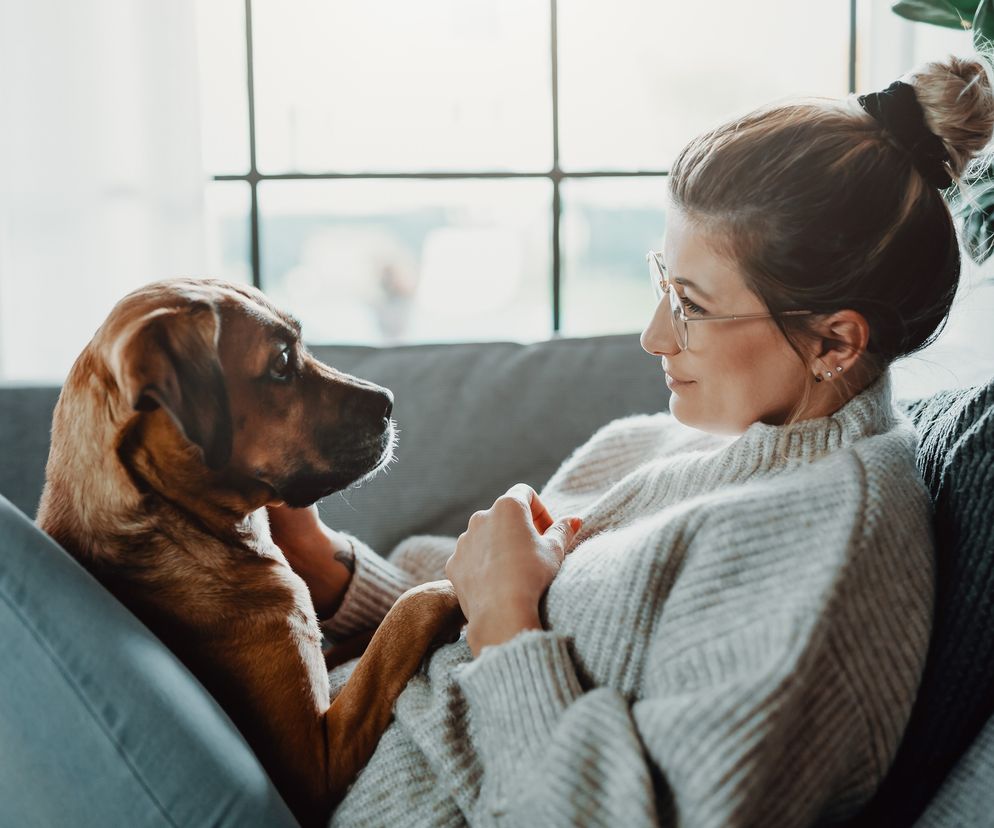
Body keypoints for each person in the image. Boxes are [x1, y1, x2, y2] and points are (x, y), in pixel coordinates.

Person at [267, 54, 994, 827]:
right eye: (661, 281)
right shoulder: (657, 445)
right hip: (314, 742)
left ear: (836, 342)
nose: (653, 337)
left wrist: (507, 623)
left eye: (691, 305)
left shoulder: (827, 552)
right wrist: (332, 572)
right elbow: (459, 624)